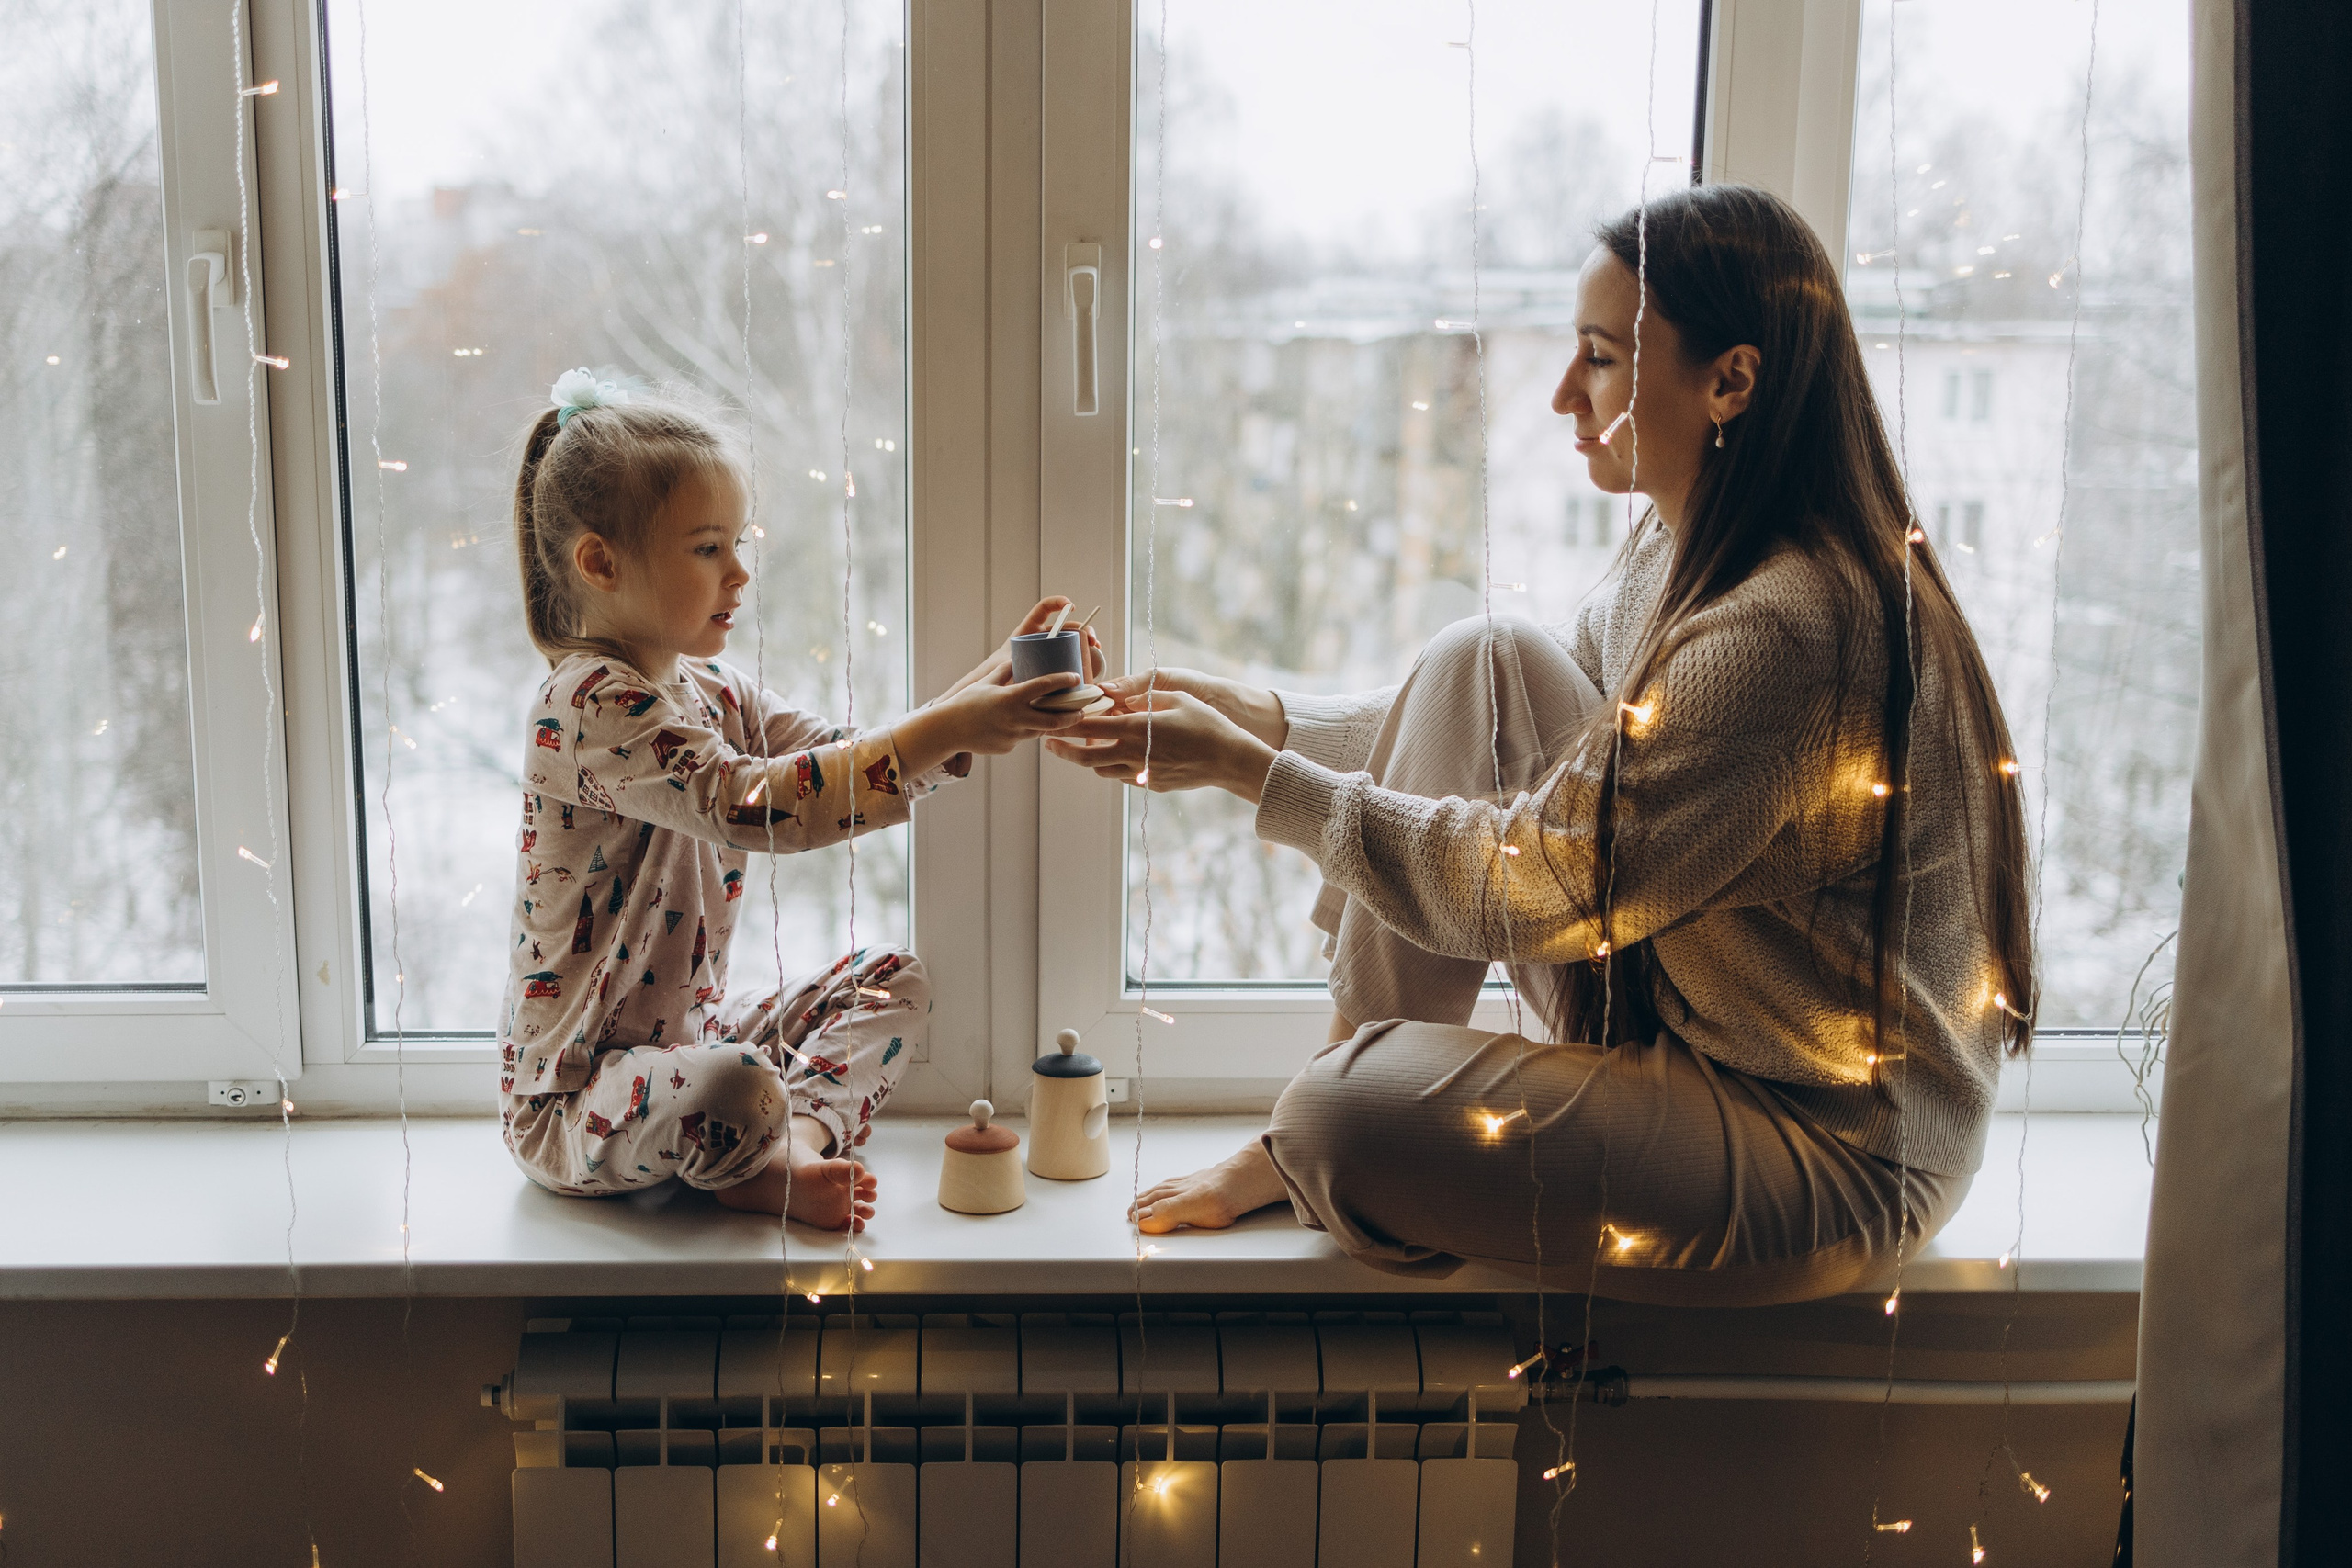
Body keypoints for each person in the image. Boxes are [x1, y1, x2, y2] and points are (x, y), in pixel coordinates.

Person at [1049, 185, 2034, 1305]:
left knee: (1341, 1118)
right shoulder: (1678, 542)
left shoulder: (1789, 628)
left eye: (1602, 358)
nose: (1564, 394)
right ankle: (1308, 1125)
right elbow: (1503, 733)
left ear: (1731, 381)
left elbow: (1541, 877)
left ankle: (1310, 1127)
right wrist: (1252, 718)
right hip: (1676, 1013)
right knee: (1488, 655)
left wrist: (1247, 774)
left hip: (1824, 1143)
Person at [499, 370, 1093, 1230]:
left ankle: (792, 1147)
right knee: (738, 1080)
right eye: (708, 549)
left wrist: (985, 694)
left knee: (894, 981)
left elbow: (836, 760)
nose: (739, 573)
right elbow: (756, 804)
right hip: (577, 1101)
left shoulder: (710, 687)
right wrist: (960, 720)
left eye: (737, 544)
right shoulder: (587, 702)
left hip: (685, 1048)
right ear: (602, 562)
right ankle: (754, 1144)